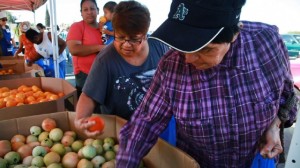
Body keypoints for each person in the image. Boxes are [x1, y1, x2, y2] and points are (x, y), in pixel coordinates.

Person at [116, 0, 299, 167]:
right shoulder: (171, 65)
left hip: (257, 159)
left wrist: (274, 125)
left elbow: (286, 96)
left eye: (205, 49)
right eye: (182, 45)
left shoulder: (266, 43)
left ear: (234, 34)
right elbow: (144, 124)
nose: (188, 59)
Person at [74, 1, 176, 145]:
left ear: (146, 35)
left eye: (134, 39)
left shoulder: (160, 48)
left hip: (160, 128)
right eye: (120, 37)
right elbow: (89, 96)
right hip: (123, 133)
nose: (126, 44)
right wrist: (81, 119)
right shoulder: (106, 59)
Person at [67, 0, 105, 96]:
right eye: (85, 10)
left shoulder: (104, 28)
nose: (89, 12)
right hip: (85, 75)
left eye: (92, 8)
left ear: (98, 10)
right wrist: (99, 48)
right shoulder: (77, 26)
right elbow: (74, 49)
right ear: (81, 13)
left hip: (105, 74)